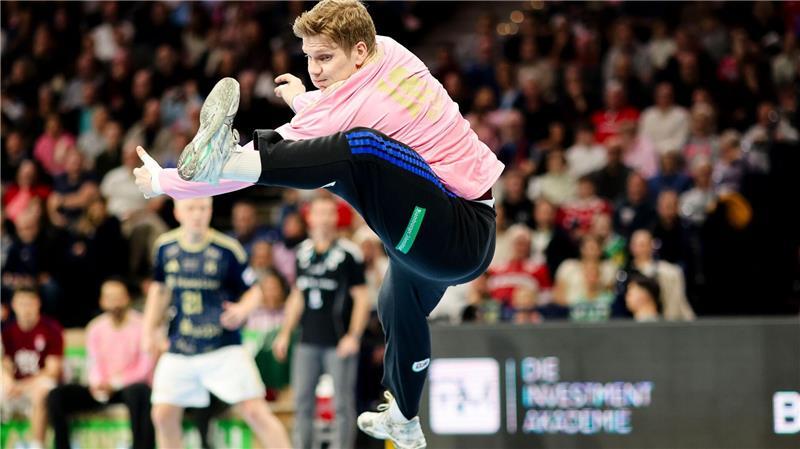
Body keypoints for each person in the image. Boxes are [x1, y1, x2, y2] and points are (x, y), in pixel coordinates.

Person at [134, 1, 502, 447]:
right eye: (308, 57)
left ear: (361, 50)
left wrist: (165, 181)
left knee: (358, 149)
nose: (315, 69)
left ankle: (226, 155)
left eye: (325, 58)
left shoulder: (345, 111)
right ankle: (404, 418)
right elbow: (343, 102)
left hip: (456, 229)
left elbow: (340, 118)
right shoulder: (391, 52)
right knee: (395, 306)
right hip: (433, 242)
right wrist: (304, 103)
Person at [142, 197, 291, 449]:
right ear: (178, 212)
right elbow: (159, 291)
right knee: (162, 414)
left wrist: (243, 309)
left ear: (210, 210)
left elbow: (254, 291)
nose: (197, 214)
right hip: (182, 345)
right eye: (191, 208)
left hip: (222, 346)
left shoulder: (227, 249)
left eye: (203, 208)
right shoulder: (164, 247)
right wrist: (147, 331)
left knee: (255, 410)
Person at [272, 195, 371, 449]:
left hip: (338, 342)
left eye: (330, 213)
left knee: (342, 404)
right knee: (302, 403)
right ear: (310, 217)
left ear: (336, 217)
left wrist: (354, 336)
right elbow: (297, 295)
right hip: (307, 341)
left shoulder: (349, 254)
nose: (325, 219)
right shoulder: (302, 252)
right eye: (319, 213)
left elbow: (361, 297)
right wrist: (285, 333)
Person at [46, 279, 155, 449]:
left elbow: (144, 368)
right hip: (100, 388)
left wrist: (115, 383)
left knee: (140, 392)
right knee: (57, 396)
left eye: (119, 297)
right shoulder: (95, 328)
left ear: (127, 299)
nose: (115, 303)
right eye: (110, 298)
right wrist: (98, 384)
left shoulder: (142, 325)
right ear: (102, 301)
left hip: (128, 386)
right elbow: (93, 362)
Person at [1, 288, 63, 449]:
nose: (26, 308)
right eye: (21, 304)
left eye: (29, 303)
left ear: (38, 304)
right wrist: (9, 382)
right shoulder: (7, 331)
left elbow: (53, 370)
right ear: (14, 305)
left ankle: (37, 445)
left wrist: (22, 386)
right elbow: (6, 364)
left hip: (41, 383)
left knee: (41, 392)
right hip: (16, 385)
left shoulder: (52, 329)